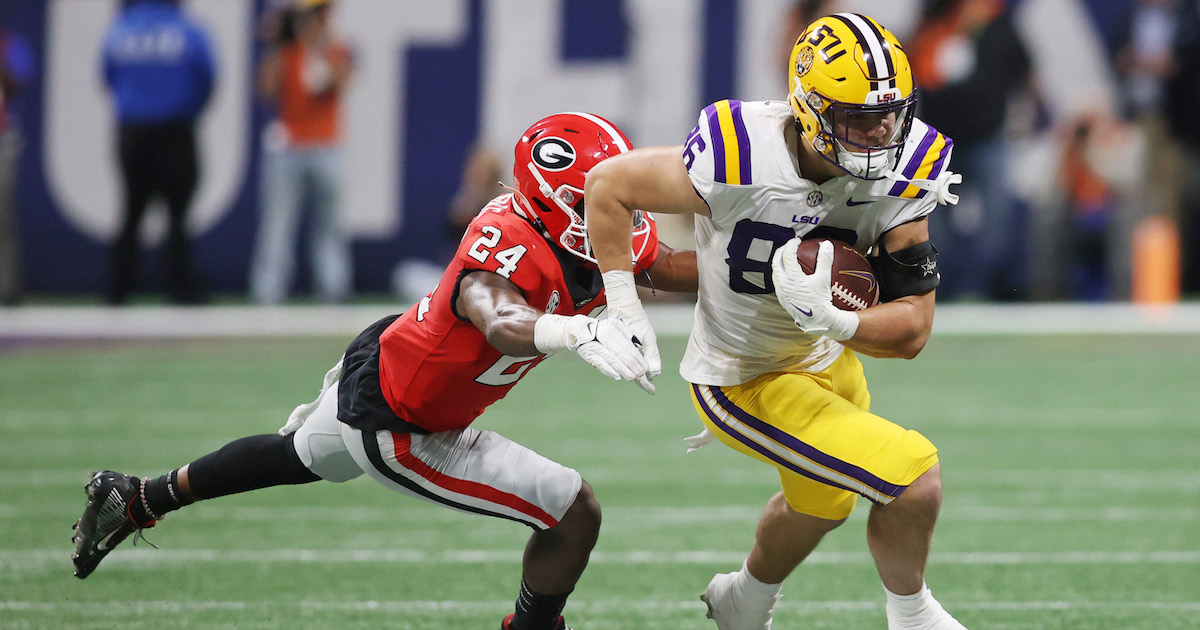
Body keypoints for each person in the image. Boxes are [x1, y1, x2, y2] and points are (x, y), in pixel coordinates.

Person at [71, 112, 698, 630]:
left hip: (386, 360)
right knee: (574, 513)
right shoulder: (506, 235)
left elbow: (667, 266)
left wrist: (774, 263)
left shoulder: (590, 233)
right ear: (557, 202)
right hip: (405, 422)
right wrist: (572, 328)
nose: (618, 212)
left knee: (296, 457)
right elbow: (497, 315)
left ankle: (138, 496)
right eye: (598, 198)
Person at [586, 13, 966, 630]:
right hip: (743, 377)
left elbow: (913, 330)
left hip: (826, 357)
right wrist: (622, 304)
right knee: (913, 476)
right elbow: (607, 186)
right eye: (856, 119)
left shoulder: (908, 166)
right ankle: (913, 616)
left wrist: (839, 324)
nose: (878, 133)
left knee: (822, 502)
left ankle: (744, 601)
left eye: (888, 114)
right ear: (810, 110)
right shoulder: (740, 152)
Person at [907, 0, 1031, 301]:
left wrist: (998, 100)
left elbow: (1023, 65)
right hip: (941, 143)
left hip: (986, 138)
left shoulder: (993, 19)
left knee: (995, 222)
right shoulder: (931, 19)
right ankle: (939, 291)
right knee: (934, 225)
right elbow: (912, 69)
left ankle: (990, 290)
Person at [101, 0, 216, 305]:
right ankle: (180, 290)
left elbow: (108, 75)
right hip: (175, 130)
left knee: (132, 209)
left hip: (133, 131)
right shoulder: (187, 31)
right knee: (177, 215)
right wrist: (185, 110)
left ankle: (118, 290)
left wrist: (137, 105)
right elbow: (206, 78)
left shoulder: (122, 29)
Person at [249, 0, 354, 304]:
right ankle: (267, 292)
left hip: (326, 145)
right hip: (289, 146)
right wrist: (275, 45)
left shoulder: (335, 48)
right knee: (277, 223)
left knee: (330, 223)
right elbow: (266, 90)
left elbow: (341, 81)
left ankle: (334, 289)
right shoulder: (286, 51)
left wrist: (318, 45)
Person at [0, 19, 34, 306]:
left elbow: (17, 82)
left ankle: (7, 289)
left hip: (2, 138)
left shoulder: (11, 43)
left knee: (2, 216)